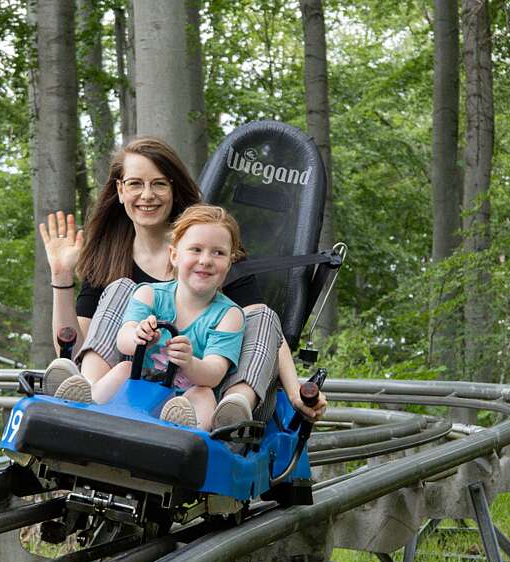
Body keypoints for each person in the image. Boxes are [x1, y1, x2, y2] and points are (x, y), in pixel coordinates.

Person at [39, 136, 326, 427]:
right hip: (128, 385)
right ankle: (87, 393)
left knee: (262, 314)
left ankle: (232, 412)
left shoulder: (212, 257)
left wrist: (295, 392)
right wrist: (61, 276)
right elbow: (76, 349)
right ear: (120, 190)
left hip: (208, 393)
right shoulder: (109, 258)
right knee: (121, 288)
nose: (147, 195)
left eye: (159, 184)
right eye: (135, 184)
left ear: (174, 189)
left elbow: (264, 332)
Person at [62, 205, 245, 431]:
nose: (206, 260)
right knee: (123, 368)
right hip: (140, 388)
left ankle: (183, 428)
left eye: (218, 253)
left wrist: (189, 363)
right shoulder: (149, 294)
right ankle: (85, 403)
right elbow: (123, 338)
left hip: (184, 399)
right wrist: (139, 336)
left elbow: (214, 373)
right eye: (196, 249)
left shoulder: (229, 315)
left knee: (203, 393)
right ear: (174, 255)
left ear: (229, 263)